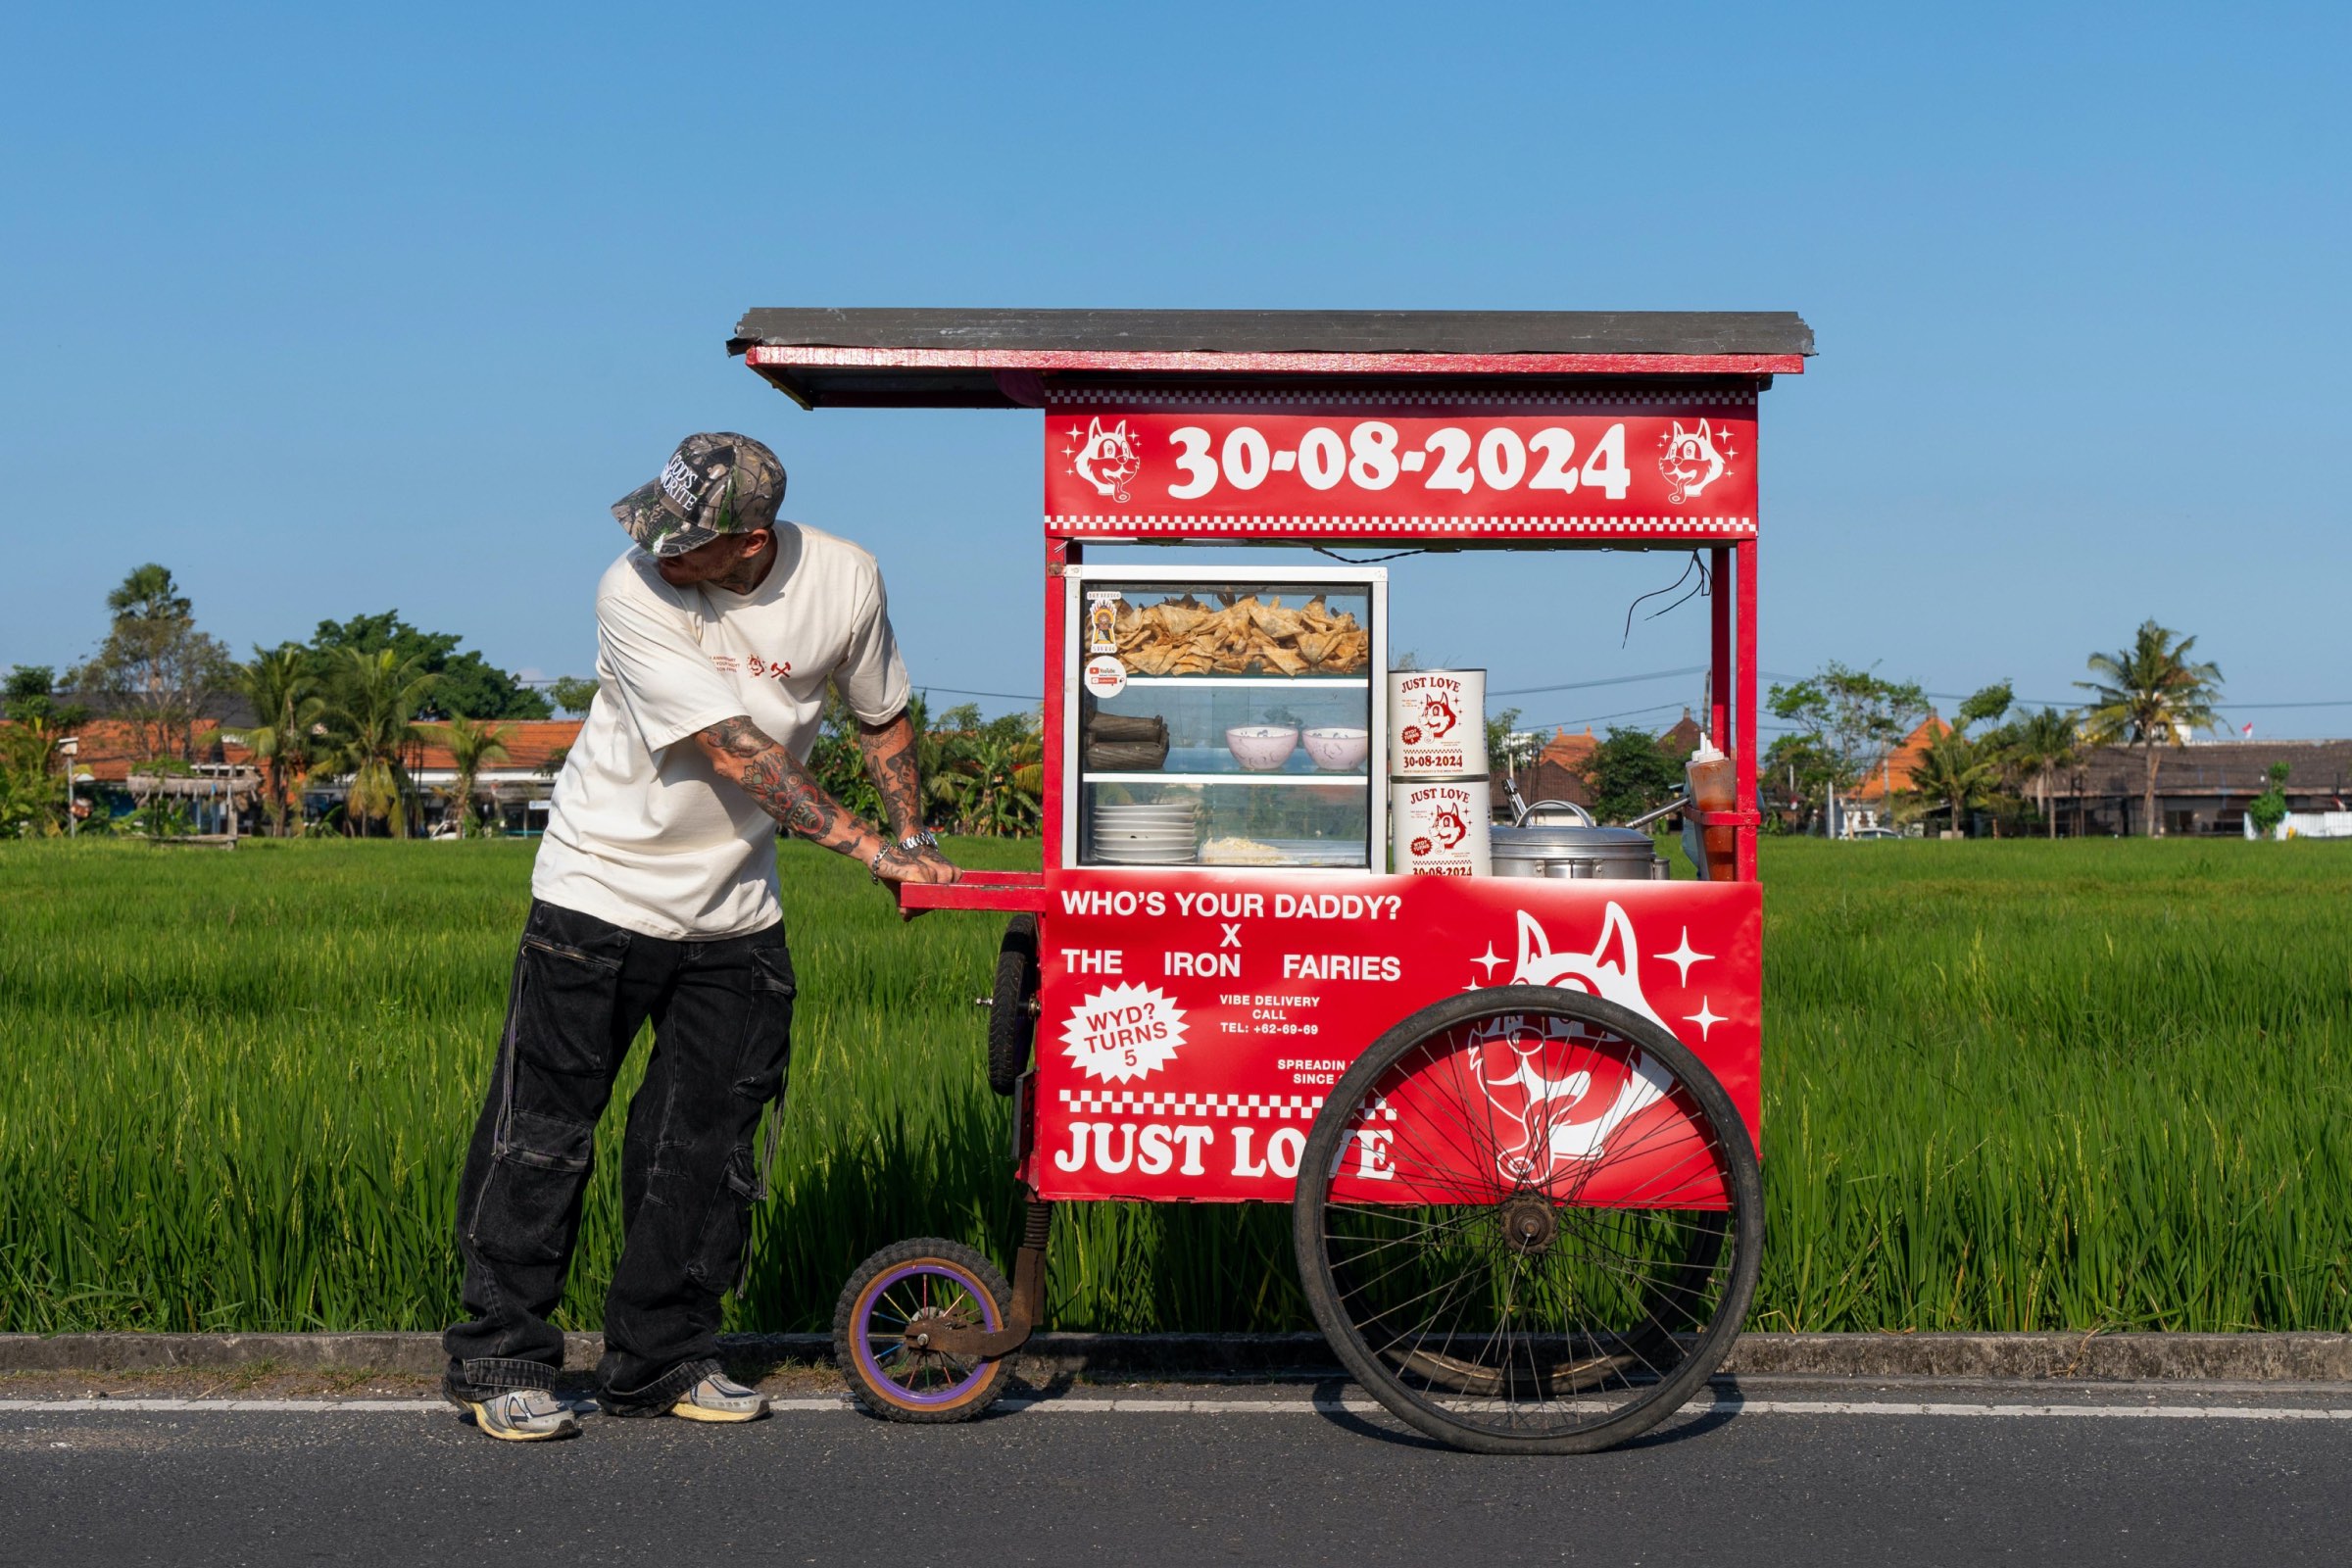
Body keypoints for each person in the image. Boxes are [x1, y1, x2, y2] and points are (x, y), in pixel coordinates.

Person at [441, 431, 957, 1441]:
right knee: (540, 1135)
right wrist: (864, 847)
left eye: (685, 540)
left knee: (707, 1151)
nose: (659, 549)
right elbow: (733, 748)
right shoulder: (631, 590)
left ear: (749, 541)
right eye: (655, 527)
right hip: (597, 896)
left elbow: (881, 712)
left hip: (735, 916)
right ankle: (502, 1357)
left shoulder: (846, 578)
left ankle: (660, 1357)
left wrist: (914, 832)